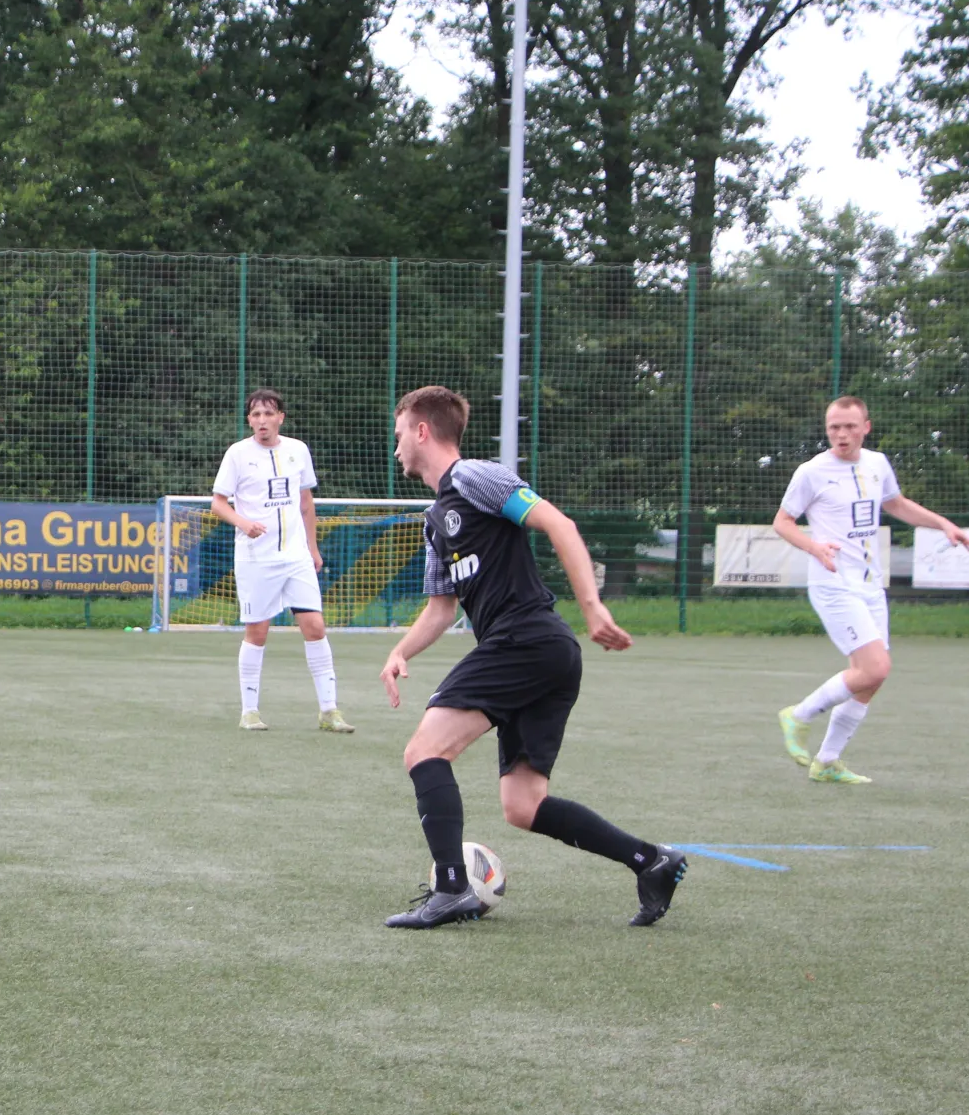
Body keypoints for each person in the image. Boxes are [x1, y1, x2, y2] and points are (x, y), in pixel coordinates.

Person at [377, 386, 686, 929]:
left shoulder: (473, 477)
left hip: (526, 639)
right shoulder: (434, 520)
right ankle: (651, 861)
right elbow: (441, 609)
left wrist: (592, 607)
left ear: (422, 430)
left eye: (400, 432)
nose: (396, 445)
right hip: (538, 654)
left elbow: (559, 524)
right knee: (523, 805)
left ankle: (451, 889)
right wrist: (400, 651)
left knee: (424, 750)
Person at [773, 395, 969, 783]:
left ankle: (827, 760)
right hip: (834, 584)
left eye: (850, 426)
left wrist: (944, 525)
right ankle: (797, 716)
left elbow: (897, 504)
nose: (842, 434)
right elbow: (782, 522)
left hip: (870, 585)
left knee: (872, 677)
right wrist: (814, 547)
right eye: (834, 427)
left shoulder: (877, 463)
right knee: (875, 667)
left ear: (866, 427)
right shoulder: (811, 472)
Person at [210, 388, 353, 733]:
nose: (262, 420)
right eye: (256, 414)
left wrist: (312, 548)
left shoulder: (297, 450)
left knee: (315, 627)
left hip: (296, 556)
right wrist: (243, 523)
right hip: (256, 559)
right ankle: (249, 711)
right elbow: (218, 503)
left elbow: (306, 503)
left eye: (268, 414)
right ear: (249, 420)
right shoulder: (237, 454)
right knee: (257, 632)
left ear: (280, 418)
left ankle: (329, 711)